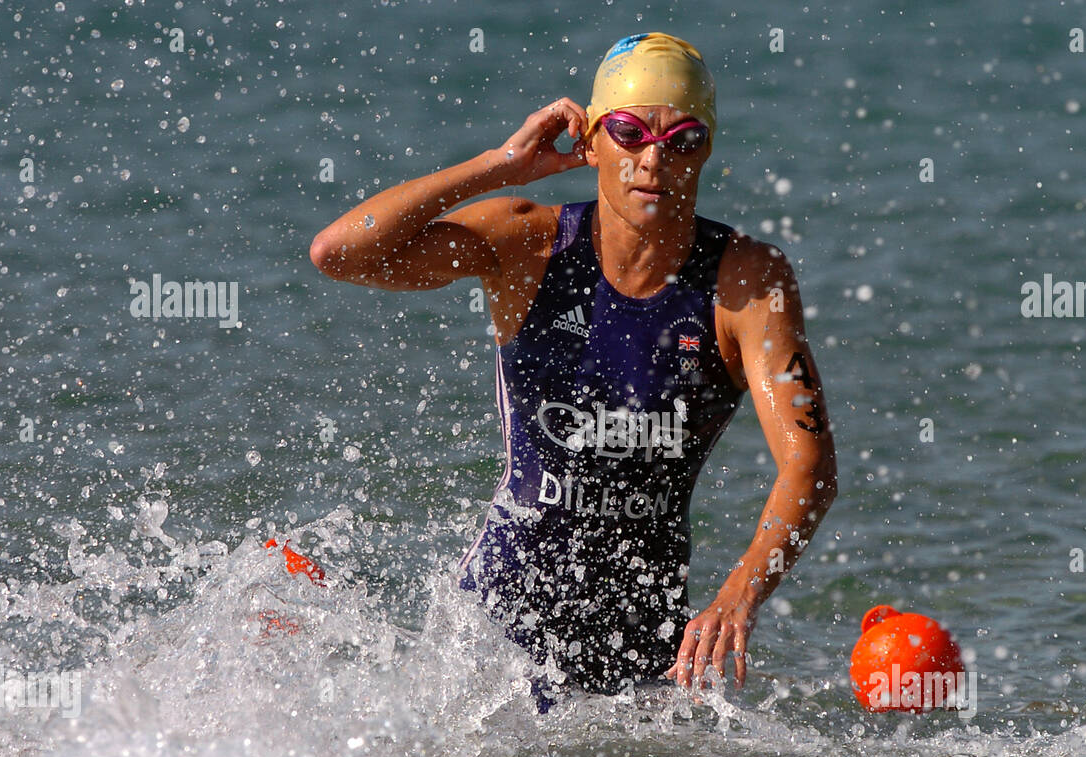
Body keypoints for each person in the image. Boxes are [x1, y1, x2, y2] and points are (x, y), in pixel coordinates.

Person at [310, 32, 837, 708]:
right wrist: (499, 166)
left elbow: (808, 464)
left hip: (643, 653)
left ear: (705, 149)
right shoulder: (527, 241)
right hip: (489, 642)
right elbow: (340, 253)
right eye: (627, 133)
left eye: (681, 138)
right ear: (589, 143)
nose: (653, 160)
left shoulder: (745, 283)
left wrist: (739, 593)